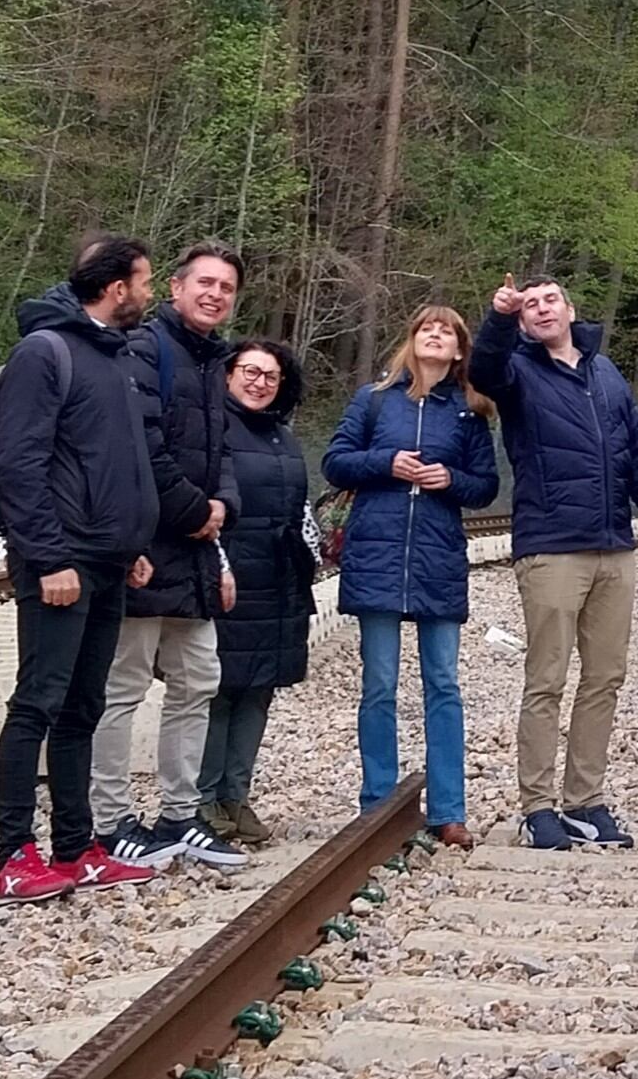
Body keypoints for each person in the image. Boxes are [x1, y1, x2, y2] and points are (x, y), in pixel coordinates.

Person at [0, 236, 195, 902]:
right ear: (115, 287)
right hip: (60, 563)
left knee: (83, 707)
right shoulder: (43, 353)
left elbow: (111, 464)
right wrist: (49, 557)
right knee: (37, 703)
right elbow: (19, 465)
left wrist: (128, 546)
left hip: (106, 563)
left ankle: (77, 849)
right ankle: (14, 854)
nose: (151, 293)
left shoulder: (112, 356)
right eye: (146, 281)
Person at [470, 274, 638, 850]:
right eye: (530, 306)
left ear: (569, 309)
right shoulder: (516, 370)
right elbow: (483, 371)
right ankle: (537, 807)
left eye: (550, 300)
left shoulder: (605, 373)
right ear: (522, 320)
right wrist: (497, 317)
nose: (542, 310)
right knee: (547, 679)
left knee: (605, 678)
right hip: (551, 546)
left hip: (613, 546)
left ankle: (585, 801)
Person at [98, 244, 250, 873]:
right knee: (123, 687)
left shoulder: (213, 362)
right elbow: (140, 444)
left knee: (196, 684)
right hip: (145, 547)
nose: (215, 294)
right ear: (176, 288)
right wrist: (195, 511)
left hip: (196, 556)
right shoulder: (144, 349)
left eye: (226, 287)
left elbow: (222, 455)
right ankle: (110, 822)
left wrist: (223, 508)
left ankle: (180, 815)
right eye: (204, 283)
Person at [325, 306, 500, 848]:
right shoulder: (374, 400)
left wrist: (450, 478)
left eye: (447, 331)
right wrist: (386, 463)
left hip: (437, 560)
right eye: (428, 328)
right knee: (378, 685)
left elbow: (486, 486)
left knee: (443, 684)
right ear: (412, 339)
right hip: (376, 556)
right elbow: (336, 462)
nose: (436, 335)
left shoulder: (470, 412)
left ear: (459, 350)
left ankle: (448, 810)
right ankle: (378, 807)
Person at [196, 340, 319, 847]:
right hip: (227, 576)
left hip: (277, 579)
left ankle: (236, 795)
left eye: (270, 376)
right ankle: (202, 798)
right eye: (250, 371)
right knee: (217, 689)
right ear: (228, 374)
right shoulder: (210, 428)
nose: (259, 382)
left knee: (258, 691)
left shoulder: (281, 436)